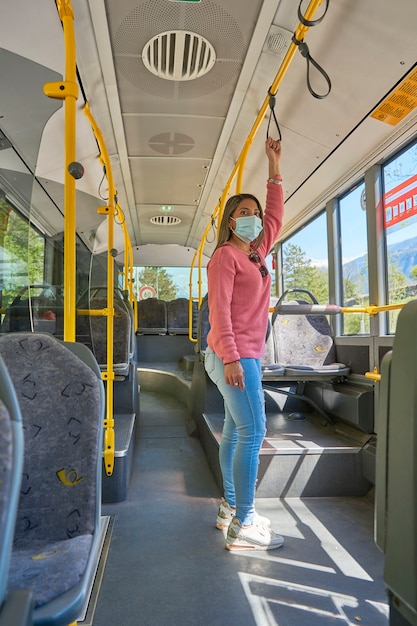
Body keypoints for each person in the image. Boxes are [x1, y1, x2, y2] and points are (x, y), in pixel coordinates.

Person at [204, 137, 284, 551]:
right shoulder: (225, 257)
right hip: (233, 355)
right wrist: (233, 358)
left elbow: (275, 218)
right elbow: (219, 314)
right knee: (254, 432)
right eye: (244, 213)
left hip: (241, 355)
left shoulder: (255, 254)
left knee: (236, 433)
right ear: (231, 221)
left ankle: (229, 509)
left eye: (254, 212)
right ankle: (245, 522)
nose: (253, 218)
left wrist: (274, 167)